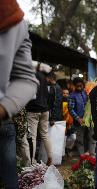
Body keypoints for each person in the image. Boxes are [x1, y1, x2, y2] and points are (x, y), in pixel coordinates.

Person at [0, 1, 38, 187]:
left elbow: (26, 80)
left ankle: (28, 163)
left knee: (11, 163)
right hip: (12, 123)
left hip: (8, 122)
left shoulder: (11, 16)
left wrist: (4, 109)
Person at [25, 65, 53, 165]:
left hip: (33, 109)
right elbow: (47, 94)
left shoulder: (29, 75)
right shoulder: (42, 77)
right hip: (45, 109)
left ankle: (31, 161)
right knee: (45, 134)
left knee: (32, 136)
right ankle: (50, 157)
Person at [68, 77, 88, 155]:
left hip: (87, 121)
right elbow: (70, 109)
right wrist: (77, 118)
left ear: (83, 85)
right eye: (77, 86)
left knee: (87, 139)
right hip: (78, 122)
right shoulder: (72, 96)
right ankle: (82, 158)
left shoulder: (85, 93)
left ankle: (88, 157)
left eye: (81, 86)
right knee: (80, 140)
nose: (79, 87)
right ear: (74, 86)